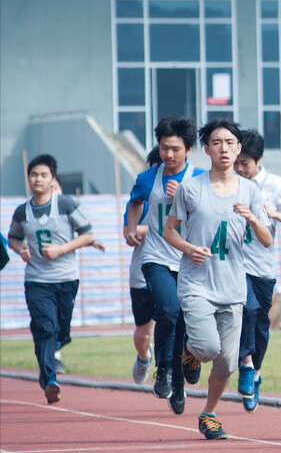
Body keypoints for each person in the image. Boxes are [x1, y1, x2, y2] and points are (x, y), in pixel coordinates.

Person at [164, 119, 271, 440]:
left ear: (239, 149)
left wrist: (252, 217)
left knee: (227, 364)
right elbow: (169, 231)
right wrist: (189, 248)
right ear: (206, 149)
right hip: (196, 284)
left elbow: (267, 239)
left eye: (229, 143)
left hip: (232, 287)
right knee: (208, 348)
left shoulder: (251, 190)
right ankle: (190, 350)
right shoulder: (191, 189)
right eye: (216, 142)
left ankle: (208, 414)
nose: (223, 148)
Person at [123, 115, 205, 414]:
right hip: (156, 257)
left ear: (188, 150)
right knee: (168, 310)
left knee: (185, 323)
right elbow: (135, 202)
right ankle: (164, 368)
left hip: (190, 259)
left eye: (175, 149)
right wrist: (131, 227)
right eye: (164, 148)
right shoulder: (149, 177)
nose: (168, 155)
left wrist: (183, 197)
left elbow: (208, 215)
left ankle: (180, 381)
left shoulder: (199, 179)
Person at [6, 155, 103, 403]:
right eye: (34, 175)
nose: (38, 179)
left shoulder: (65, 205)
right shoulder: (22, 211)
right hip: (37, 280)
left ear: (53, 180)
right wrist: (21, 250)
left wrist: (61, 250)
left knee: (60, 332)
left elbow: (88, 235)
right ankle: (50, 378)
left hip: (66, 279)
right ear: (28, 178)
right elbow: (13, 238)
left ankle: (45, 347)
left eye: (43, 175)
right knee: (47, 327)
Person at [233, 128, 281, 412]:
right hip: (235, 264)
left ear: (258, 159)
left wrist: (272, 213)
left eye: (245, 164)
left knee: (261, 322)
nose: (240, 169)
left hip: (262, 266)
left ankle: (256, 370)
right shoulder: (229, 184)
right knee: (246, 310)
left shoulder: (276, 186)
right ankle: (245, 363)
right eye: (237, 163)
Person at [123, 146, 161, 386]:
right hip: (142, 272)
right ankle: (144, 356)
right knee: (144, 333)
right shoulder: (141, 198)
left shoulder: (186, 190)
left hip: (177, 269)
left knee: (174, 326)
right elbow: (131, 232)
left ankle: (168, 372)